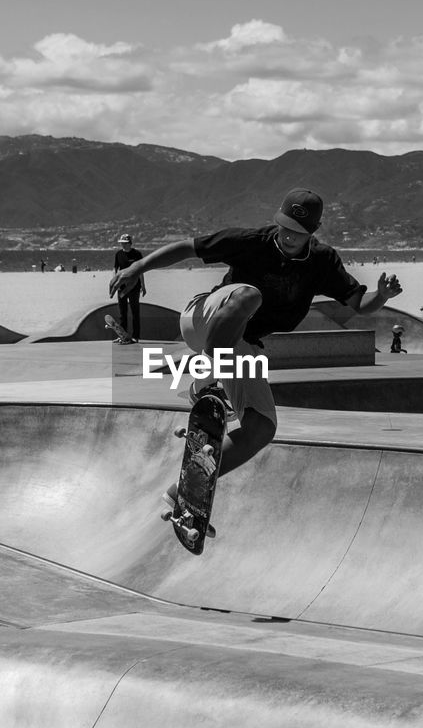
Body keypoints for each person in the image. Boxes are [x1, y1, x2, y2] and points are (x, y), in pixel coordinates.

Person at [108, 187, 402, 510]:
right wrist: (137, 269)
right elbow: (187, 248)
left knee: (262, 427)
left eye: (298, 232)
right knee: (250, 295)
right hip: (204, 320)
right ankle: (204, 378)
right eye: (285, 226)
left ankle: (187, 486)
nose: (289, 236)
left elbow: (359, 303)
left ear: (314, 231)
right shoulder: (252, 242)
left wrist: (383, 295)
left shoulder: (322, 262)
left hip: (241, 345)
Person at [113, 233, 146, 343]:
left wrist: (143, 286)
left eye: (124, 243)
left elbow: (140, 271)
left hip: (134, 287)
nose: (122, 245)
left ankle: (135, 336)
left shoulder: (137, 254)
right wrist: (115, 283)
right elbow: (115, 270)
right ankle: (122, 335)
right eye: (121, 243)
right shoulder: (118, 254)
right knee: (123, 313)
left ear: (129, 243)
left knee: (135, 312)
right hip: (121, 288)